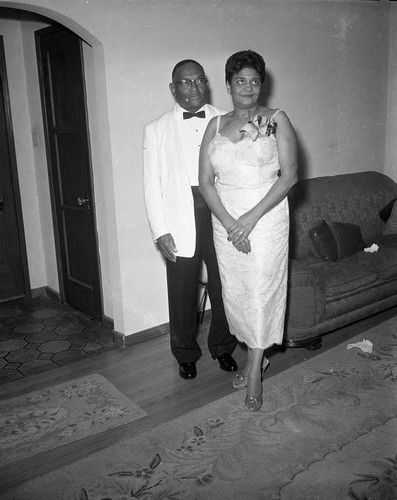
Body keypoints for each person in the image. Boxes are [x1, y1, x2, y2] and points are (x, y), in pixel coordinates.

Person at [199, 50, 298, 411]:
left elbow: (289, 176)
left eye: (255, 81)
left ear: (262, 85)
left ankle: (255, 368)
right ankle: (258, 355)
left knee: (261, 292)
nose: (248, 87)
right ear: (228, 84)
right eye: (240, 80)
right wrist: (229, 223)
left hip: (266, 218)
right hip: (226, 222)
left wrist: (250, 218)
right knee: (237, 294)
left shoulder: (276, 119)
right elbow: (205, 182)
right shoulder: (214, 125)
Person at [143, 59, 238, 380]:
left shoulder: (226, 120)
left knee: (225, 284)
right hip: (180, 218)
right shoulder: (155, 129)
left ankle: (223, 347)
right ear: (173, 88)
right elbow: (151, 185)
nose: (194, 87)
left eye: (199, 80)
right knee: (182, 289)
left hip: (221, 213)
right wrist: (161, 231)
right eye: (186, 82)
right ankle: (185, 353)